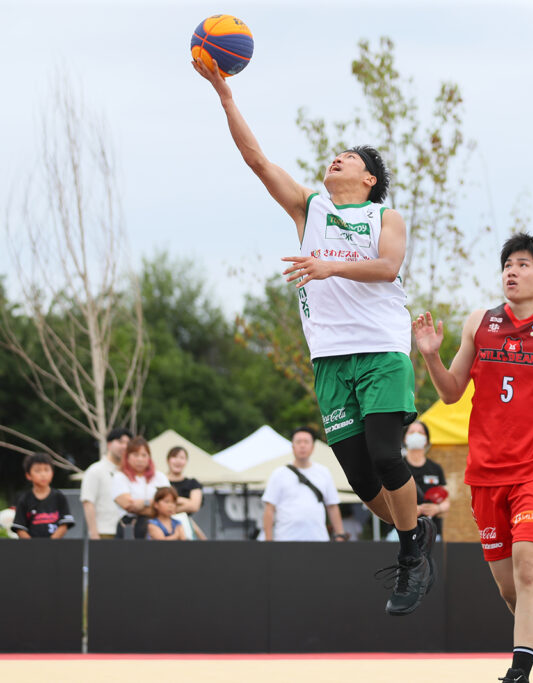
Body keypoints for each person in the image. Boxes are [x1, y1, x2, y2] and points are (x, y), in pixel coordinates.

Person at [194, 58, 436, 616]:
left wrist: (329, 267)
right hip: (329, 360)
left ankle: (410, 554)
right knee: (359, 478)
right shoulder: (310, 208)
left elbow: (388, 267)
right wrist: (225, 95)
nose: (337, 158)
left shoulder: (385, 217)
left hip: (380, 350)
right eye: (336, 155)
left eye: (349, 157)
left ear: (369, 179)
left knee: (386, 454)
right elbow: (257, 160)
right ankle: (415, 535)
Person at [413, 233, 533, 683]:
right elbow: (450, 393)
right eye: (507, 265)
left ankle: (519, 672)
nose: (511, 272)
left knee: (528, 567)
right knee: (511, 591)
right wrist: (431, 356)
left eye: (522, 265)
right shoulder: (479, 322)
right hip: (485, 473)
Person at [262, 427, 347, 543]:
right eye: (298, 442)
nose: (302, 446)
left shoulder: (324, 472)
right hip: (286, 539)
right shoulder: (279, 474)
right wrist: (268, 541)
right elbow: (269, 509)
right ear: (292, 446)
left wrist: (340, 534)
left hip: (318, 539)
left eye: (306, 442)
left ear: (313, 447)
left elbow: (332, 506)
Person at [110, 437, 168, 539]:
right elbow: (128, 505)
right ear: (127, 457)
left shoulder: (160, 477)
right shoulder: (119, 477)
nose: (140, 459)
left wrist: (145, 503)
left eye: (144, 455)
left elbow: (171, 502)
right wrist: (158, 506)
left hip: (160, 529)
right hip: (131, 529)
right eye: (135, 455)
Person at [80, 427, 131, 540]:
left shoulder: (130, 472)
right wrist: (94, 534)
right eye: (120, 442)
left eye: (128, 443)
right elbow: (88, 503)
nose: (124, 446)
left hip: (128, 533)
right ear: (109, 444)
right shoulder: (95, 470)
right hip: (104, 532)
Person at [11, 453, 75, 539]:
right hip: (30, 546)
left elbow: (64, 524)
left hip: (55, 545)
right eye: (38, 471)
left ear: (52, 473)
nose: (43, 474)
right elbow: (20, 528)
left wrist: (50, 543)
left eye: (46, 470)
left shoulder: (59, 497)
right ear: (28, 475)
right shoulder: (24, 499)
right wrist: (33, 545)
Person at [403, 421, 450, 537]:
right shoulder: (397, 467)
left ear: (427, 440)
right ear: (404, 439)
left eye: (420, 432)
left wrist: (437, 508)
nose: (416, 435)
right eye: (411, 432)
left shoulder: (435, 468)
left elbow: (446, 501)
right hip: (400, 531)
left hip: (431, 532)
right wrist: (409, 510)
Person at [164, 446, 206, 540]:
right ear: (168, 460)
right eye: (174, 457)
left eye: (182, 458)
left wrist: (176, 501)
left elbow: (194, 506)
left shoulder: (193, 483)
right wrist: (186, 502)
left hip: (186, 525)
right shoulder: (160, 481)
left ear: (186, 461)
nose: (178, 461)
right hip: (162, 526)